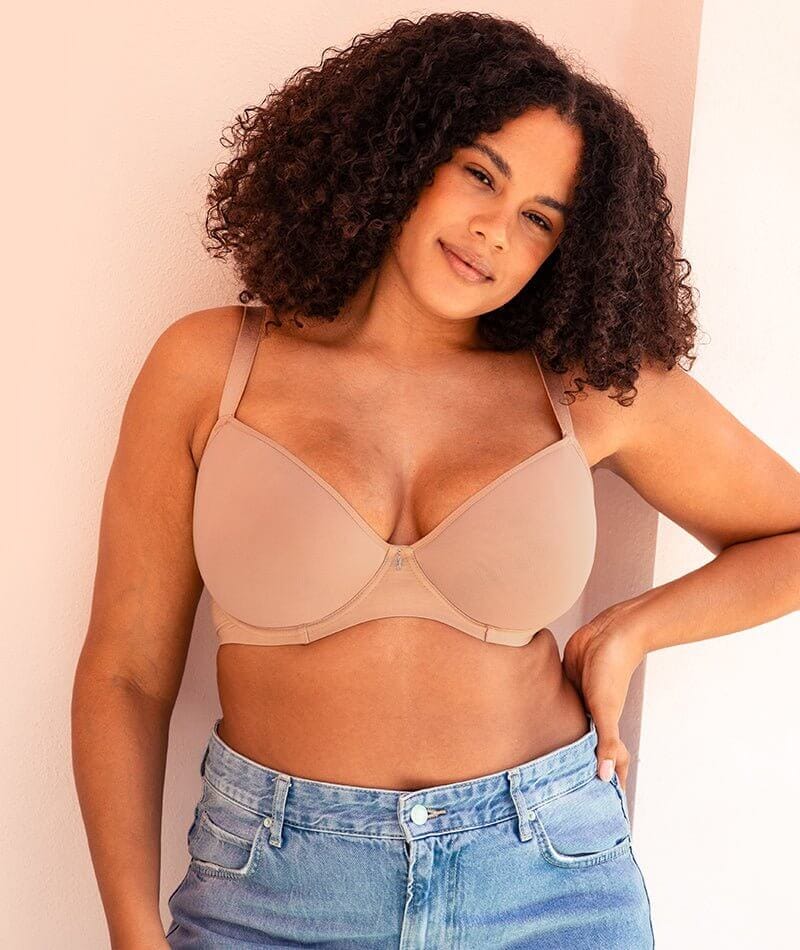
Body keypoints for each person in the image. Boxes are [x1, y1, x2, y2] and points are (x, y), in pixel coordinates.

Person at [72, 12, 800, 949]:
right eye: (481, 174)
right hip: (273, 895)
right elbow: (126, 673)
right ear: (402, 155)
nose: (494, 231)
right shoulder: (211, 367)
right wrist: (131, 931)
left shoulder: (583, 388)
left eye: (539, 219)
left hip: (549, 880)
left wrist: (627, 633)